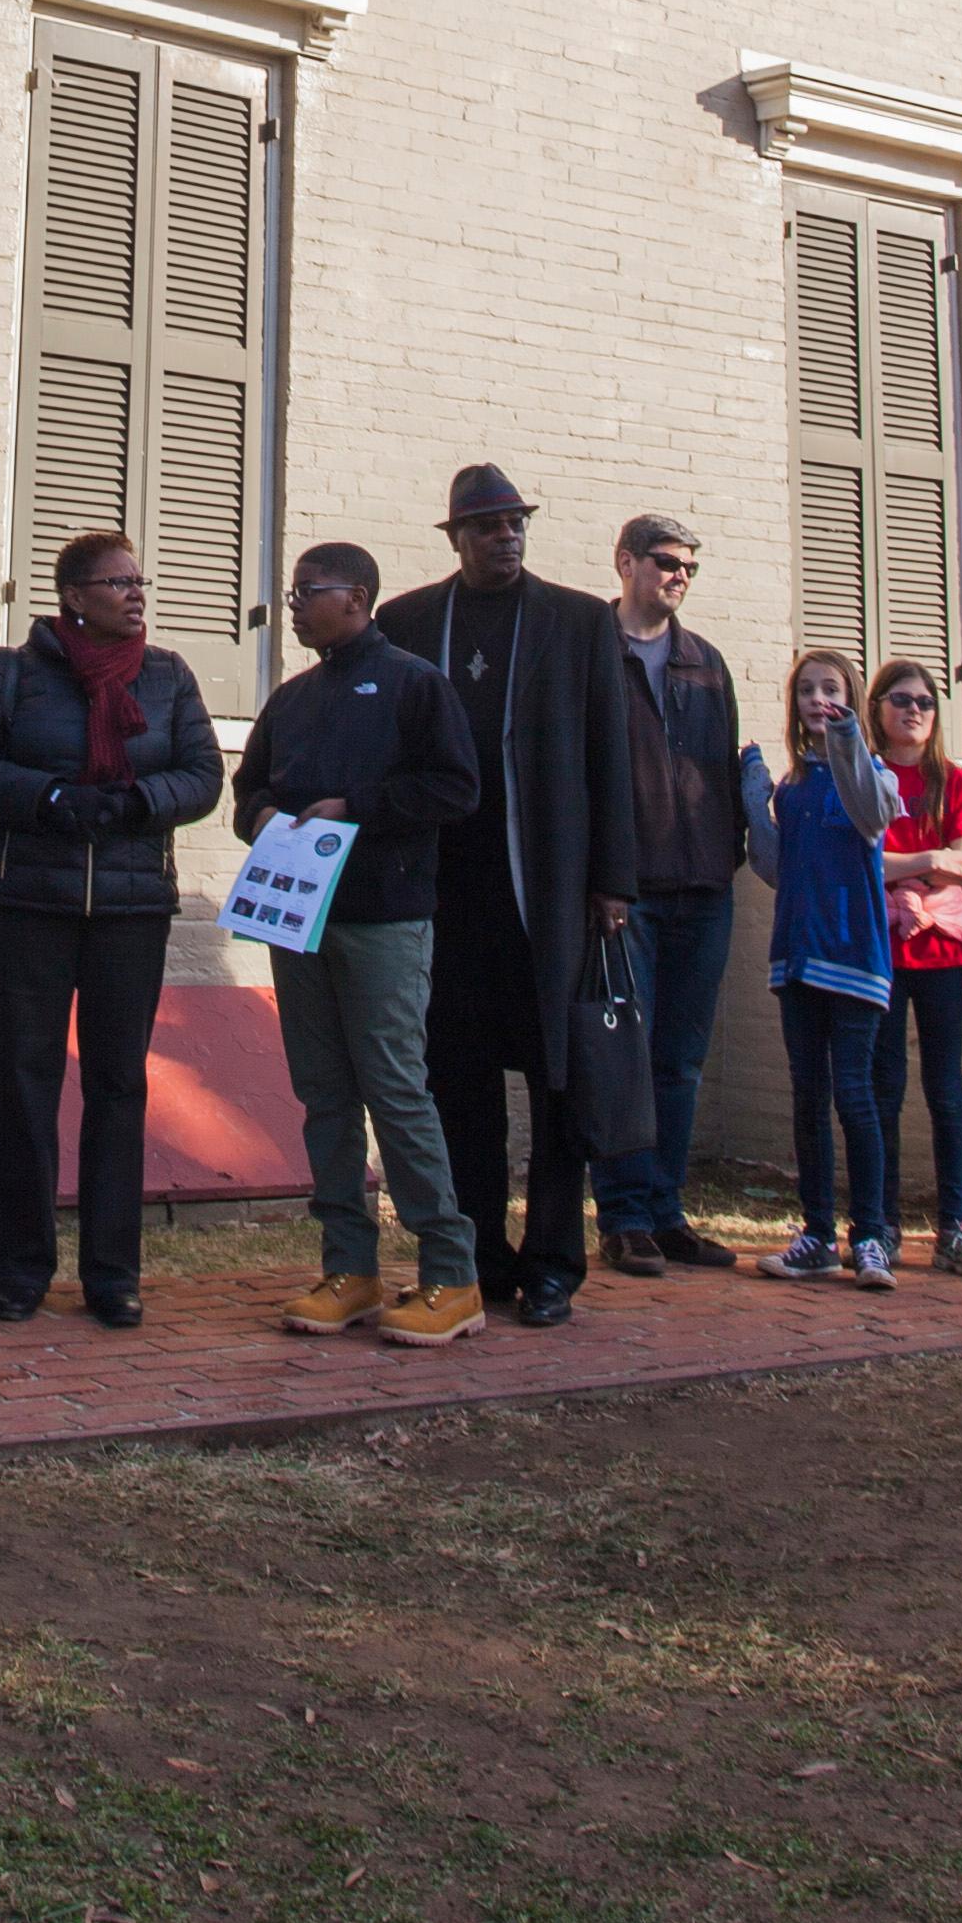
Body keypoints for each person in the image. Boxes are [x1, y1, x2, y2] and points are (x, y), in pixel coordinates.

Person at [376, 467, 641, 1331]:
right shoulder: (411, 622)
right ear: (455, 537)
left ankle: (557, 1261)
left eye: (515, 522)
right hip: (448, 894)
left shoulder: (577, 620)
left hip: (552, 895)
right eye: (487, 526)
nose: (506, 536)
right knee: (459, 1087)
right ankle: (480, 1256)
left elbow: (612, 756)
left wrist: (612, 883)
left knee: (561, 1084)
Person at [0, 526, 224, 1326]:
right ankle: (20, 1271)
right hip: (27, 902)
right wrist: (54, 798)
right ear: (74, 597)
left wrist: (139, 802)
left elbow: (205, 775)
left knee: (119, 1086)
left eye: (140, 582)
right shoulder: (12, 672)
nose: (136, 594)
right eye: (118, 581)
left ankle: (112, 1275)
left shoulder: (168, 677)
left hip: (131, 910)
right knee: (28, 1084)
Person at [231, 542, 480, 1344]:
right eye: (293, 590)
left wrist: (357, 808)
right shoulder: (293, 699)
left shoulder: (413, 684)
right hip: (298, 920)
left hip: (383, 918)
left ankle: (451, 1275)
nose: (296, 604)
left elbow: (454, 787)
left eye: (311, 591)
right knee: (325, 1096)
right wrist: (261, 815)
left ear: (360, 597)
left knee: (396, 1091)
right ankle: (352, 1269)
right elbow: (248, 792)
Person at [595, 514, 754, 1281]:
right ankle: (623, 1217)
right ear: (626, 562)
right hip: (625, 895)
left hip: (704, 889)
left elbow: (720, 768)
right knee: (622, 1057)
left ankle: (665, 1212)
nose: (680, 575)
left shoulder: (705, 664)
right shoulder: (590, 650)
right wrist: (602, 878)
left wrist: (729, 859)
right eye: (666, 562)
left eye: (691, 565)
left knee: (680, 1063)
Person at [746, 647, 903, 1288]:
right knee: (807, 1098)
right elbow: (775, 868)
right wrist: (755, 793)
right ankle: (816, 1235)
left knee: (854, 1097)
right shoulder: (795, 787)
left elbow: (870, 812)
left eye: (830, 688)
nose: (817, 699)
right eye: (807, 690)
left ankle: (870, 1237)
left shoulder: (874, 775)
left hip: (855, 960)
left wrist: (845, 738)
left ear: (852, 701)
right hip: (797, 960)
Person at [859, 658, 962, 1281]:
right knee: (882, 1089)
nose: (913, 709)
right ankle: (882, 1225)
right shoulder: (864, 776)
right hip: (881, 954)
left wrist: (901, 867)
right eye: (900, 699)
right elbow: (862, 860)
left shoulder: (955, 782)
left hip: (942, 952)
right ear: (877, 710)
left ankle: (955, 1228)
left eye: (925, 701)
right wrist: (926, 859)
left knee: (946, 1092)